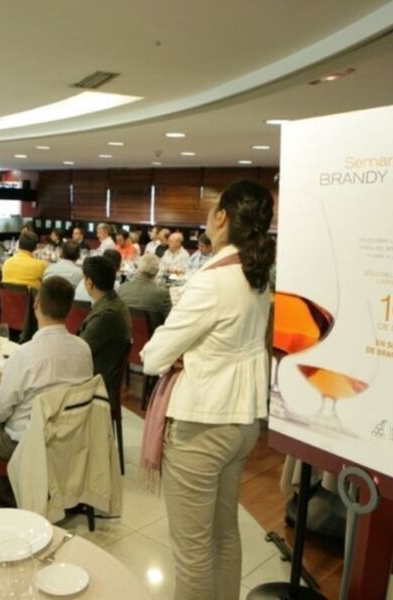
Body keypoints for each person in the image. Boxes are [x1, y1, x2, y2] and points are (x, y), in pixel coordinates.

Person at [141, 180, 275, 599]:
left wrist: (185, 354)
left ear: (222, 217)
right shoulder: (258, 276)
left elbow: (151, 356)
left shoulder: (211, 281)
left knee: (193, 551)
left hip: (202, 422)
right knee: (224, 535)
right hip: (242, 421)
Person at [0, 277, 93, 460]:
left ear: (36, 304)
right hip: (69, 438)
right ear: (70, 309)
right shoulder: (84, 349)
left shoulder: (25, 354)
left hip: (23, 445)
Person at [78, 256, 131, 404]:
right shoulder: (113, 302)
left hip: (96, 379)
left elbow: (81, 350)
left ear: (89, 282)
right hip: (99, 370)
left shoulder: (107, 314)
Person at [117, 254, 172, 324]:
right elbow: (170, 320)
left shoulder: (122, 288)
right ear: (157, 272)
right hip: (153, 333)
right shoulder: (163, 293)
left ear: (139, 268)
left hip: (125, 332)